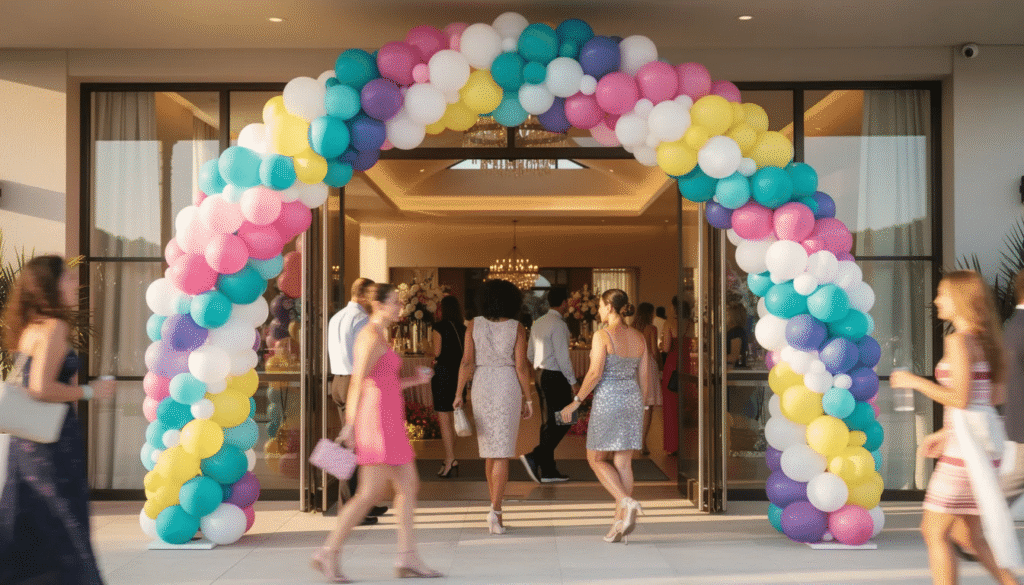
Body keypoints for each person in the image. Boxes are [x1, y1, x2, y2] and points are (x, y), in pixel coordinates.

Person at [890, 271, 1021, 585]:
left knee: (934, 531)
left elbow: (961, 400)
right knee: (969, 536)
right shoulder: (989, 341)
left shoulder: (959, 341)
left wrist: (915, 382)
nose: (936, 300)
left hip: (965, 454)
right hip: (982, 449)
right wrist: (945, 433)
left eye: (942, 294)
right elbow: (991, 398)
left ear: (960, 299)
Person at [312, 283, 441, 582]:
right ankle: (328, 553)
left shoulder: (382, 335)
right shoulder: (369, 336)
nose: (400, 307)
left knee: (408, 486)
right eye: (395, 302)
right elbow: (357, 383)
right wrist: (350, 426)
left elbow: (384, 382)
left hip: (389, 418)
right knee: (369, 493)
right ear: (379, 305)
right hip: (375, 421)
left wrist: (415, 381)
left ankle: (407, 557)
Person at [0, 255, 116, 585]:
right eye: (66, 278)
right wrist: (90, 392)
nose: (74, 284)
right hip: (51, 443)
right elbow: (39, 388)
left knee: (30, 521)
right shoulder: (54, 327)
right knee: (65, 522)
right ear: (49, 287)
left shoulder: (30, 328)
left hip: (26, 443)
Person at [560, 289, 652, 543]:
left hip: (609, 399)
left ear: (610, 307)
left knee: (596, 458)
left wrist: (576, 401)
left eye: (601, 306)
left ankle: (626, 501)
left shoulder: (603, 335)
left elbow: (594, 374)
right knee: (623, 463)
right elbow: (644, 377)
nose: (599, 311)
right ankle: (618, 524)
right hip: (633, 399)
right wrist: (642, 407)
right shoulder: (639, 337)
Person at [454, 279, 533, 534]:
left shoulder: (474, 324)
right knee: (501, 452)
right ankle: (496, 511)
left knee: (490, 450)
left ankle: (493, 507)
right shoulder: (517, 327)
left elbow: (466, 363)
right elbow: (521, 366)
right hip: (506, 384)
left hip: (482, 385)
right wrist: (528, 397)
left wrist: (458, 394)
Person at [326, 277, 386, 525]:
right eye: (371, 296)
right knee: (358, 446)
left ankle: (361, 504)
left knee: (352, 443)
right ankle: (353, 507)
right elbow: (366, 357)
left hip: (337, 381)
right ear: (362, 296)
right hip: (355, 383)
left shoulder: (336, 317)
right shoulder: (361, 319)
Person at [520, 287, 579, 483]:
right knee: (566, 419)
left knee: (548, 424)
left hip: (540, 375)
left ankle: (548, 470)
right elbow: (563, 358)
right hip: (555, 376)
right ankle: (535, 457)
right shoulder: (559, 325)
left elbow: (529, 354)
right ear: (564, 303)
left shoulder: (538, 323)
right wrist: (573, 382)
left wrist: (538, 366)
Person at [428, 295, 466, 478]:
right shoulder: (464, 328)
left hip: (443, 374)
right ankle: (451, 457)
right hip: (459, 375)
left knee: (444, 420)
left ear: (442, 309)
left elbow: (437, 352)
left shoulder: (439, 327)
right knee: (455, 417)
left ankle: (450, 459)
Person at [660, 297, 694, 456]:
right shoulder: (690, 324)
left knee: (670, 405)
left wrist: (660, 346)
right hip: (686, 364)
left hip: (673, 364)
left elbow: (666, 348)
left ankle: (673, 446)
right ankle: (686, 444)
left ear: (675, 308)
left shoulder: (669, 323)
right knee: (684, 404)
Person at [632, 302, 662, 456]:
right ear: (650, 314)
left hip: (634, 365)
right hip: (648, 365)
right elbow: (654, 351)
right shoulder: (651, 329)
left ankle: (630, 440)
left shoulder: (632, 328)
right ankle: (643, 442)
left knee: (634, 404)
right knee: (647, 405)